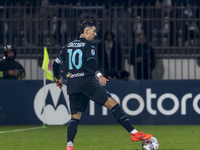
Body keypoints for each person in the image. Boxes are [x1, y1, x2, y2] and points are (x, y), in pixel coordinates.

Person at [52, 21, 152, 150]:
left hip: (73, 84)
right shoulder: (88, 45)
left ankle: (69, 146)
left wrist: (58, 79)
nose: (95, 33)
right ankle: (133, 133)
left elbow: (55, 64)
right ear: (86, 31)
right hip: (87, 82)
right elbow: (91, 60)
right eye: (93, 31)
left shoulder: (68, 46)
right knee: (113, 104)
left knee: (75, 118)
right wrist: (99, 75)